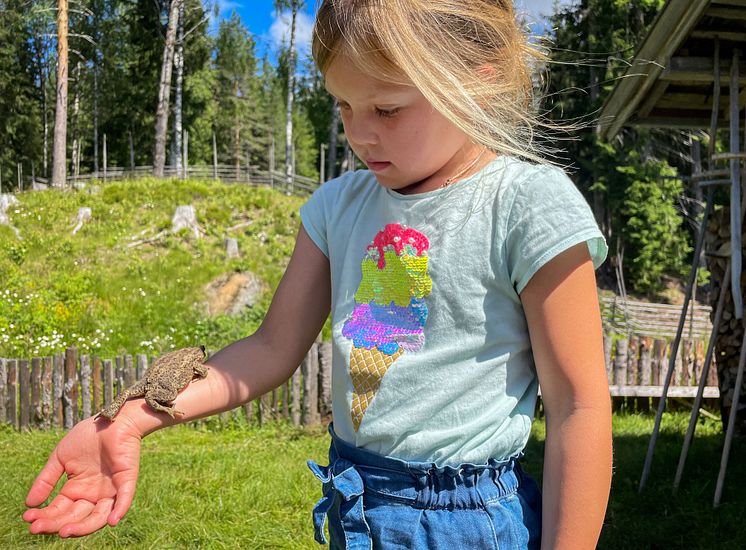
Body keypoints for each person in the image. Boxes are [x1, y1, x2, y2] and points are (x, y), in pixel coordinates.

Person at [23, 1, 613, 548]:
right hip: (354, 504)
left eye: (387, 108)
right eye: (343, 105)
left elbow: (578, 409)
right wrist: (129, 418)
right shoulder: (337, 208)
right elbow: (272, 346)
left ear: (476, 84)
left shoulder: (527, 203)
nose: (358, 133)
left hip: (467, 520)